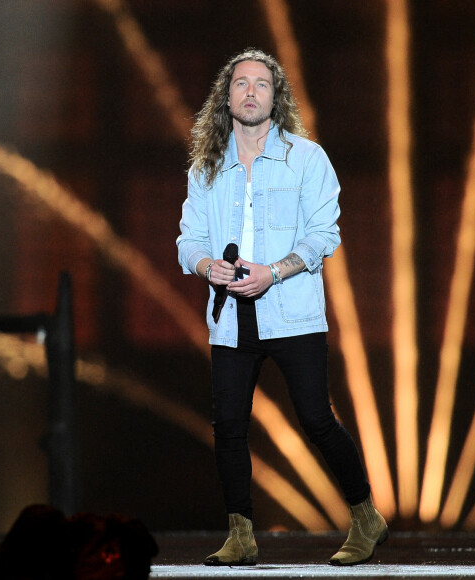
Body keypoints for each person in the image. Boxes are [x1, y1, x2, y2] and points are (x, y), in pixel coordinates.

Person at [177, 47, 387, 566]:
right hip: (231, 315)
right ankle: (241, 535)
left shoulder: (307, 158)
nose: (251, 91)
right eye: (241, 83)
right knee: (228, 425)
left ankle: (366, 517)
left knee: (316, 418)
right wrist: (209, 268)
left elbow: (323, 236)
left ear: (277, 96)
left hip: (291, 309)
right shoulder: (206, 167)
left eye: (262, 84)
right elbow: (189, 240)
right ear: (225, 97)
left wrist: (273, 271)